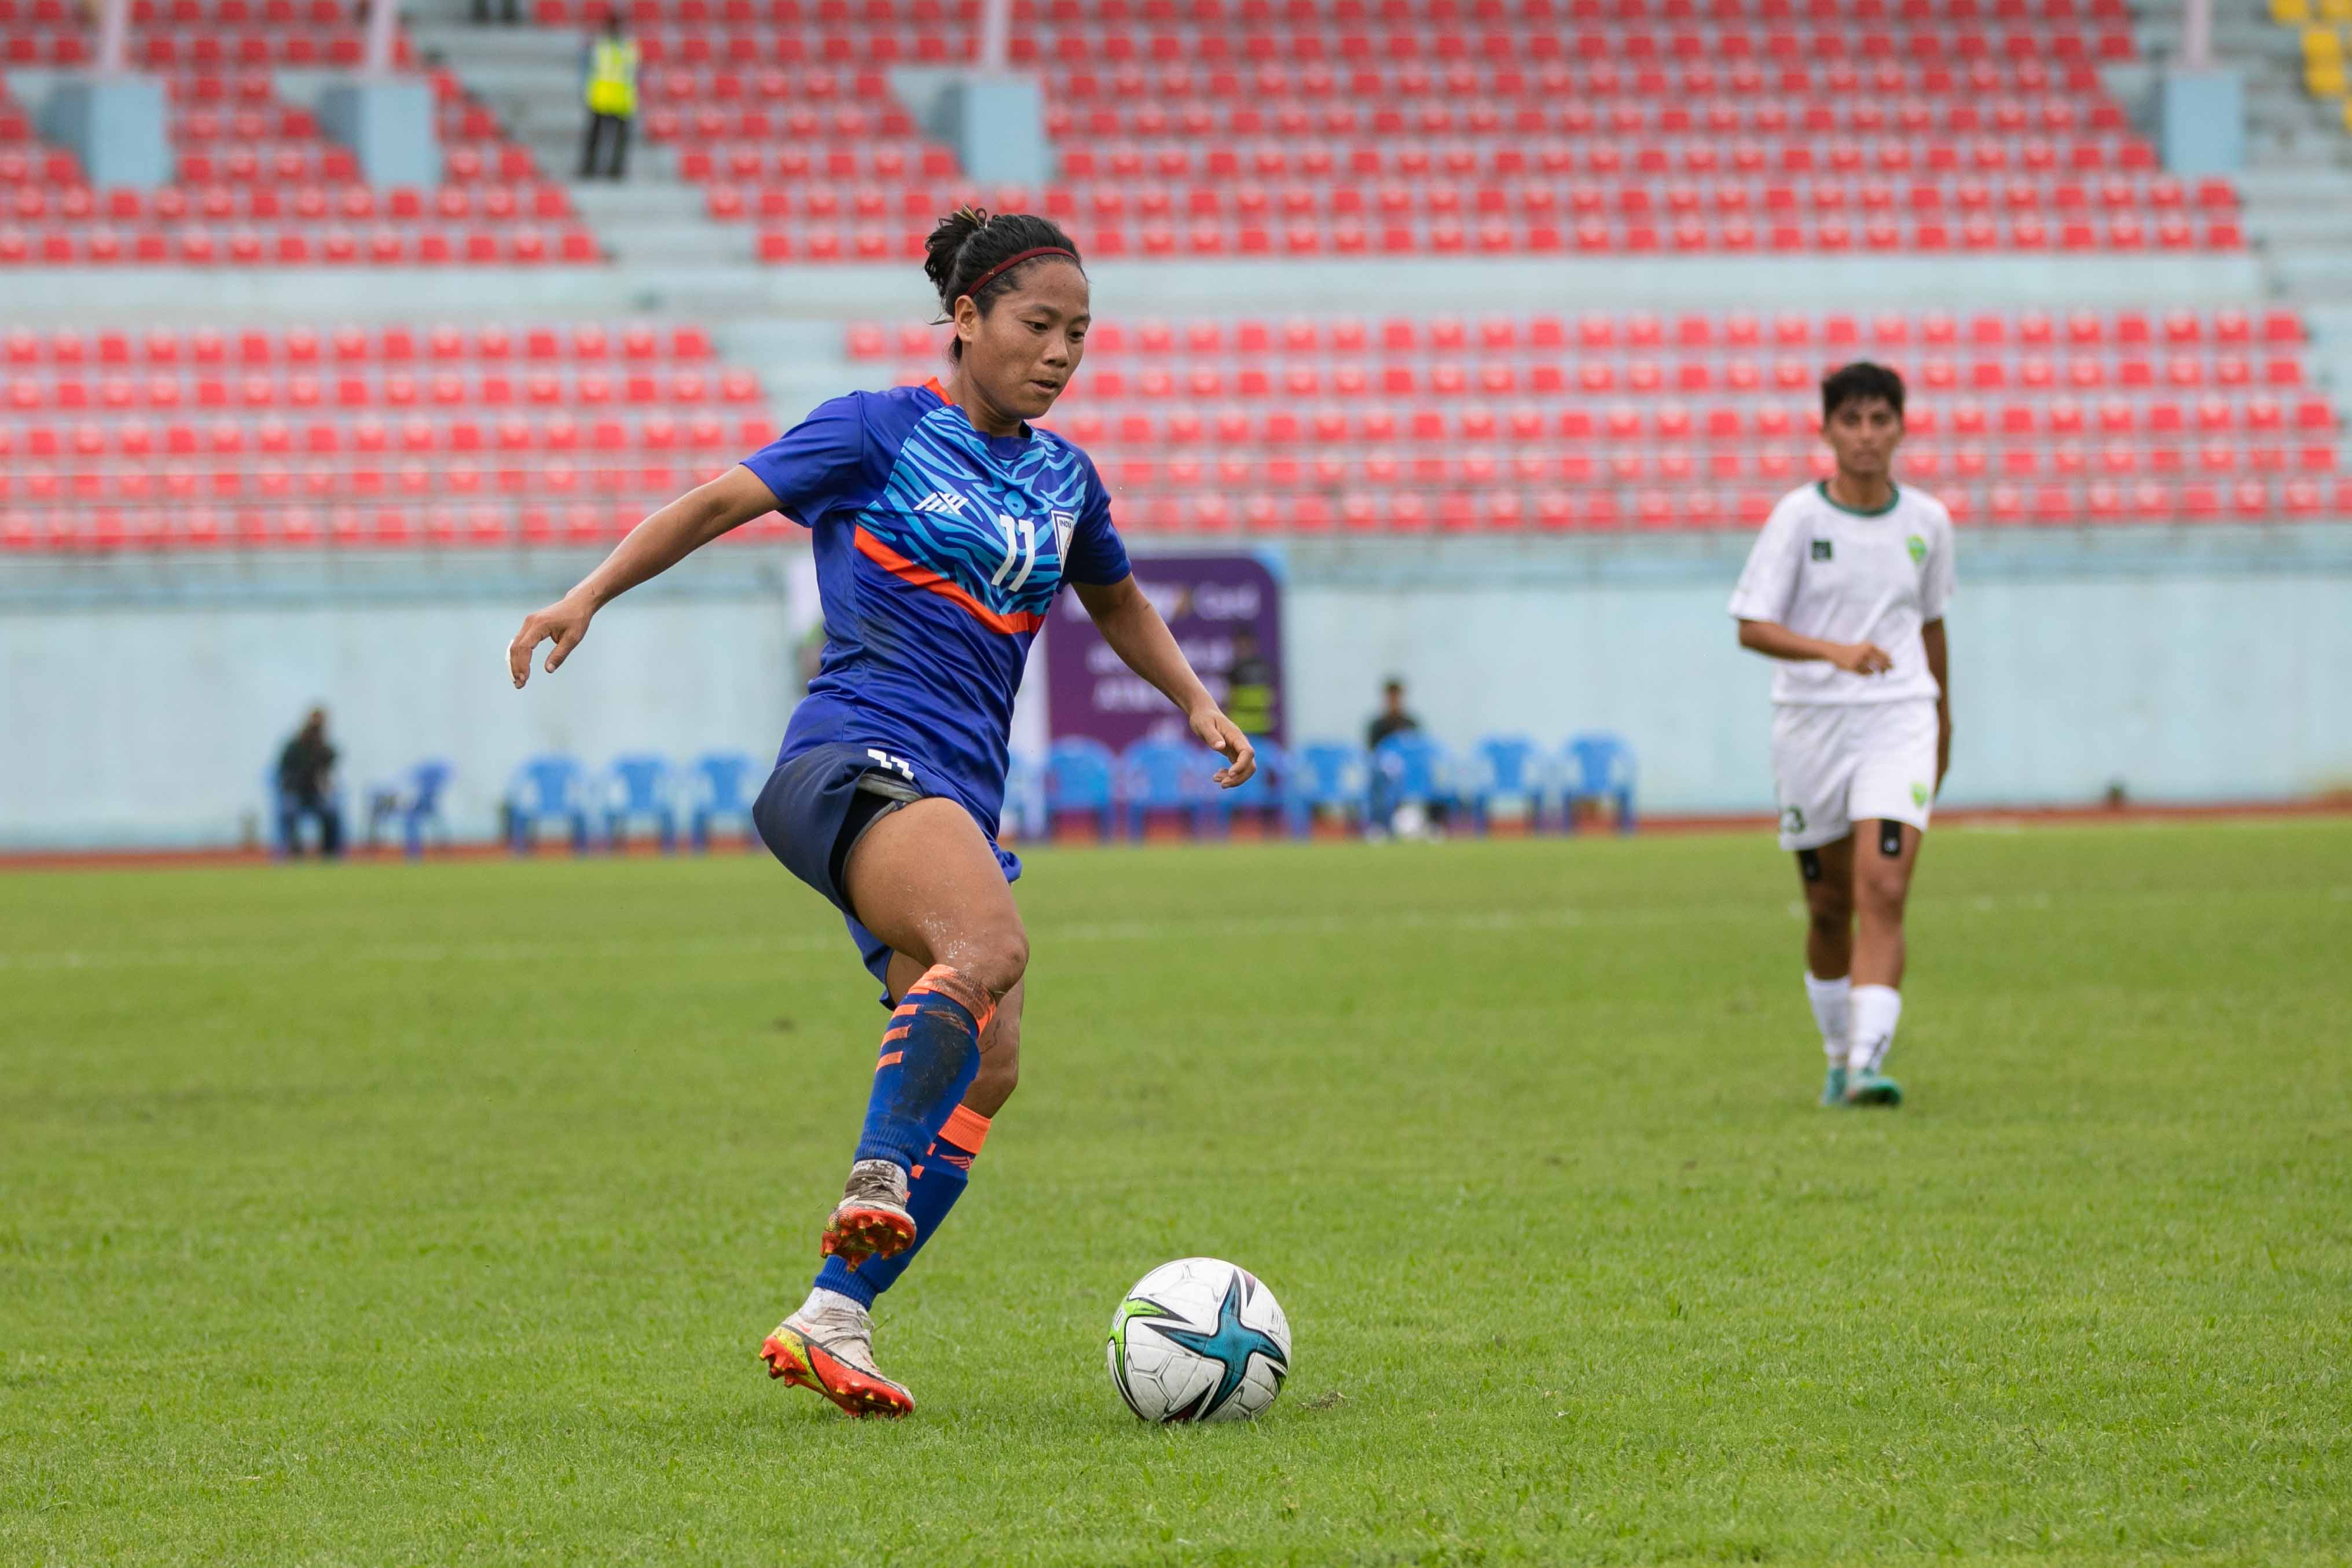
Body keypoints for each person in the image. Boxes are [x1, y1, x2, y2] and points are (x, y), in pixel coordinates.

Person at [506, 207, 1254, 1419]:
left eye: (1080, 333)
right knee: (991, 948)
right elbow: (715, 502)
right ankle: (874, 1170)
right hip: (850, 757)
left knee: (992, 1061)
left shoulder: (1068, 479)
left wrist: (1194, 701)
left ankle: (831, 1315)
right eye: (1037, 325)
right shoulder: (876, 429)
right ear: (965, 320)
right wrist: (586, 592)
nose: (1061, 353)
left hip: (949, 792)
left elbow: (1113, 600)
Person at [1729, 361, 1954, 1110]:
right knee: (1827, 905)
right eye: (1850, 421)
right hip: (1811, 724)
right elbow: (1750, 627)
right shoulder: (1798, 517)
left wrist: (1941, 718)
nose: (1865, 436)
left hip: (1898, 718)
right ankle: (1834, 1056)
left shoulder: (1926, 522)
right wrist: (1835, 652)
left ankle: (1864, 1062)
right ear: (1824, 430)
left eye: (1878, 420)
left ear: (1900, 426)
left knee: (1883, 887)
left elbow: (1929, 626)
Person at [275, 707, 343, 858]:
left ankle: (329, 854)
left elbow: (329, 769)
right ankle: (296, 852)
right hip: (296, 793)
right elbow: (284, 771)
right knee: (289, 812)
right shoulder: (293, 747)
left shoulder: (324, 748)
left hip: (316, 795)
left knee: (331, 814)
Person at [577, 14, 636, 180]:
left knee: (609, 139)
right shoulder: (620, 48)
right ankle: (594, 169)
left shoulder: (604, 47)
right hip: (607, 99)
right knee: (598, 138)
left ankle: (608, 170)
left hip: (613, 99)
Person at [1224, 627, 1276, 741]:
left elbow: (1271, 696)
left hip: (1261, 726)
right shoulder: (1234, 668)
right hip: (1241, 727)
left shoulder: (1264, 667)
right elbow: (1229, 697)